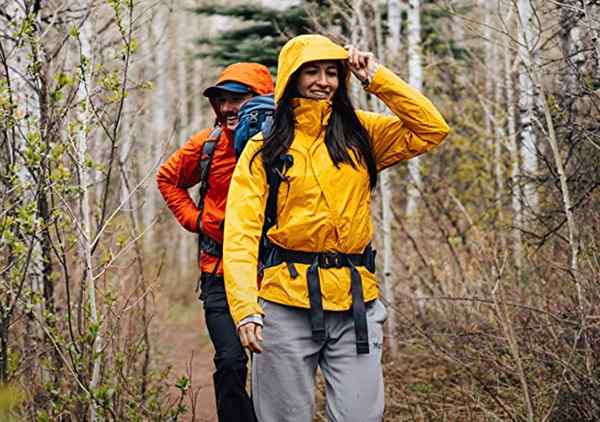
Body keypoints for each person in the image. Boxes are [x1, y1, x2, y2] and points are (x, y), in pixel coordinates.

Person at [222, 34, 450, 422]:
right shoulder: (264, 148)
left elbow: (431, 128)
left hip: (355, 302)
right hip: (283, 303)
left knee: (361, 415)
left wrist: (375, 76)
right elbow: (240, 233)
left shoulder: (362, 133)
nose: (323, 81)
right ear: (291, 77)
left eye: (331, 72)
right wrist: (245, 309)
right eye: (311, 71)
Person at [156, 62, 274, 422]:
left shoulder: (286, 142)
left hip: (273, 273)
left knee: (275, 367)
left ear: (263, 99)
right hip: (219, 271)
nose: (227, 108)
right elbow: (167, 179)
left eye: (238, 99)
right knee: (230, 361)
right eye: (221, 100)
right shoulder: (208, 144)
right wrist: (196, 221)